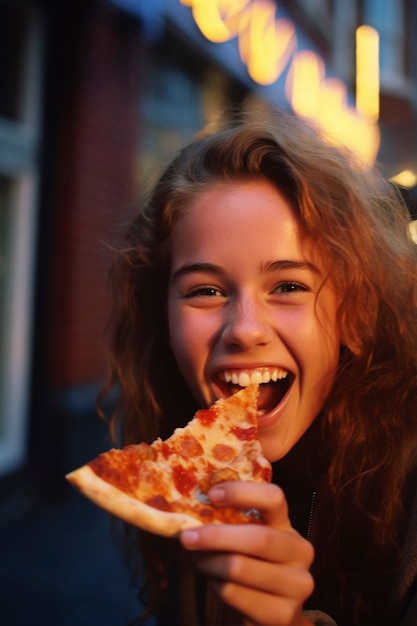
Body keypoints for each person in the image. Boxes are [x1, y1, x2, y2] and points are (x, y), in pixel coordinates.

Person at [99, 104, 417, 626]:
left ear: (353, 309)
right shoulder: (188, 472)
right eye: (205, 290)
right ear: (164, 319)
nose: (244, 328)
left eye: (289, 286)